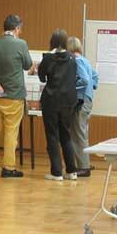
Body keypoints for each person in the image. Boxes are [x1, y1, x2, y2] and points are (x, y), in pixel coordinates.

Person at [0, 14, 32, 178]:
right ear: (16, 28)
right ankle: (8, 168)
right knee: (11, 132)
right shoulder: (21, 44)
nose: (20, 32)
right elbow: (28, 64)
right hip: (14, 95)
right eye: (20, 29)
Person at [38, 30, 79, 181]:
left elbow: (42, 77)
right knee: (66, 135)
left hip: (51, 100)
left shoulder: (48, 58)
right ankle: (72, 171)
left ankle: (56, 172)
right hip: (68, 101)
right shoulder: (72, 58)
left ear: (53, 41)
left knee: (52, 136)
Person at [66, 36, 98, 177]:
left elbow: (84, 80)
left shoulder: (77, 61)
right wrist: (91, 88)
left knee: (78, 134)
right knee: (81, 133)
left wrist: (72, 87)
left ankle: (83, 167)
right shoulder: (85, 60)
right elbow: (95, 77)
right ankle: (84, 164)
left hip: (81, 101)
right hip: (87, 99)